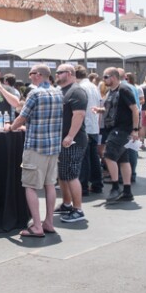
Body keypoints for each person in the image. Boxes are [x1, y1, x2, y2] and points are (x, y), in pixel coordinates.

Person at [10, 64, 63, 237]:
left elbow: (22, 116)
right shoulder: (58, 92)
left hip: (36, 146)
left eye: (32, 74)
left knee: (30, 186)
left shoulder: (35, 93)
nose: (30, 76)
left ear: (39, 75)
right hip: (53, 147)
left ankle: (37, 226)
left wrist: (11, 127)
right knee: (50, 185)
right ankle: (48, 222)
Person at [93, 67, 139, 201]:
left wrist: (135, 130)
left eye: (105, 77)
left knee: (108, 156)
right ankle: (127, 191)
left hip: (122, 129)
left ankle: (115, 187)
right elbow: (112, 109)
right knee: (123, 160)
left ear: (113, 77)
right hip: (114, 129)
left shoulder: (124, 89)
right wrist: (100, 110)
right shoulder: (111, 91)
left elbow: (135, 110)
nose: (103, 79)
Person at [52, 63, 88, 223]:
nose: (57, 74)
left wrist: (70, 136)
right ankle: (67, 204)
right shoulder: (62, 91)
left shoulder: (76, 90)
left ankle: (78, 209)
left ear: (69, 73)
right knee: (63, 174)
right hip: (62, 140)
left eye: (60, 72)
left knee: (72, 175)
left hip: (73, 141)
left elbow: (79, 115)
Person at [75, 66, 104, 196]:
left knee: (84, 158)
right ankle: (97, 184)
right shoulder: (94, 86)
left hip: (85, 126)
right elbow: (100, 105)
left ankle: (83, 186)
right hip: (93, 126)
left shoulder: (81, 88)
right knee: (93, 157)